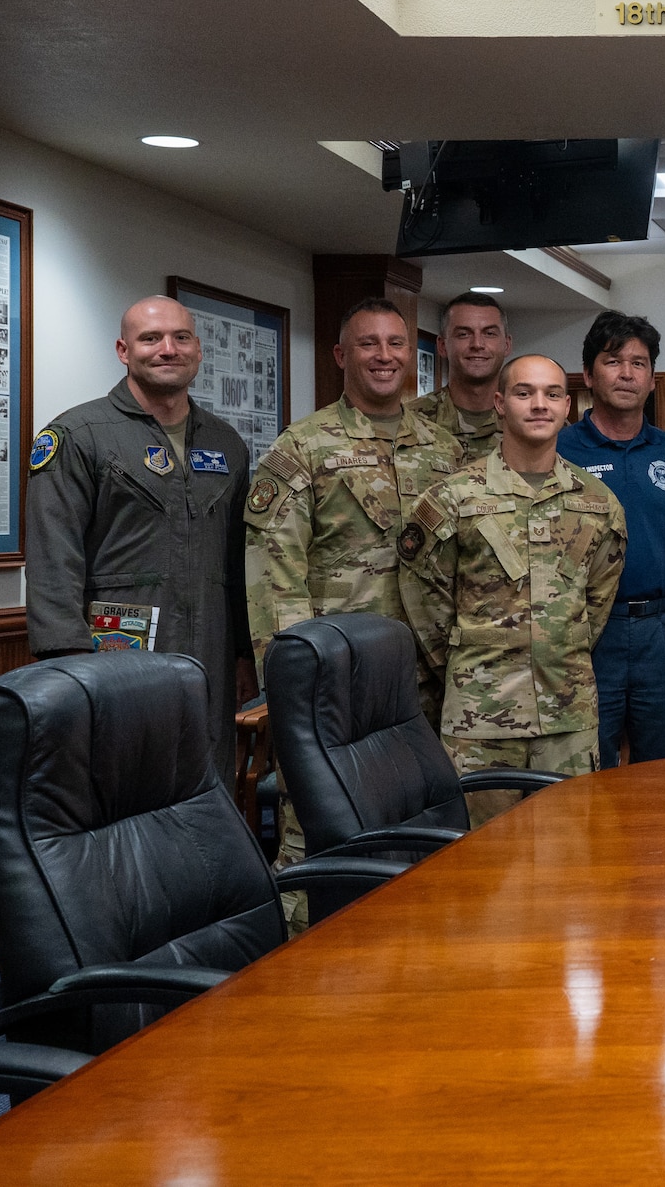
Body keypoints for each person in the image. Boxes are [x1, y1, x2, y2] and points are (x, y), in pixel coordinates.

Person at [244, 298, 465, 923]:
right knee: (315, 826)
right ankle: (296, 961)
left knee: (415, 823)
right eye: (368, 344)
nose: (385, 356)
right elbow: (273, 571)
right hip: (333, 678)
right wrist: (285, 685)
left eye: (397, 344)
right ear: (342, 355)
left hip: (422, 673)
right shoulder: (304, 448)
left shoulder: (444, 450)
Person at [26, 296, 255, 781]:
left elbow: (238, 561)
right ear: (123, 350)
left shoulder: (227, 444)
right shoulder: (79, 434)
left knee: (206, 780)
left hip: (210, 649)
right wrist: (69, 663)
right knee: (119, 783)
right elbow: (53, 555)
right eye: (151, 338)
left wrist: (242, 653)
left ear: (197, 351)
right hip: (113, 649)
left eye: (181, 337)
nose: (167, 349)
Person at [398, 355, 626, 824]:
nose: (539, 404)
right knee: (481, 868)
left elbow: (596, 605)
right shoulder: (454, 498)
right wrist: (471, 662)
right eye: (524, 393)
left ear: (568, 407)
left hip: (568, 717)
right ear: (500, 404)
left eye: (552, 394)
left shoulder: (599, 504)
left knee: (569, 858)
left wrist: (552, 645)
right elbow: (425, 600)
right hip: (479, 718)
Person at [557, 311, 665, 764]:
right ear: (588, 374)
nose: (626, 373)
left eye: (638, 363)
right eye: (613, 361)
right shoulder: (559, 451)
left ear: (652, 379)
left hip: (662, 632)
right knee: (585, 767)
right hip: (585, 632)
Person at [408, 292, 512, 461]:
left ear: (507, 345)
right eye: (464, 334)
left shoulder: (533, 421)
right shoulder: (410, 421)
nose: (477, 344)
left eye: (489, 333)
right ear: (442, 346)